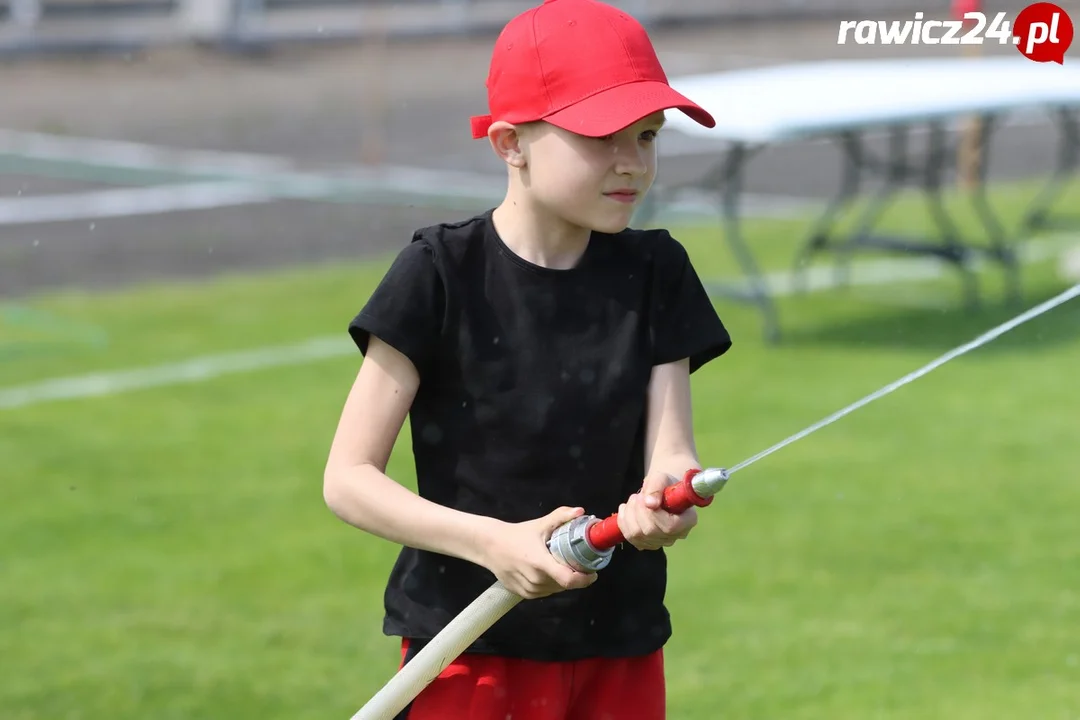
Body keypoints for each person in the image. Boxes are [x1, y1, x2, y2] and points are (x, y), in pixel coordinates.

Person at [323, 0, 732, 717]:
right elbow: (349, 479)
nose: (633, 164)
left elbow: (671, 453)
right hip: (470, 647)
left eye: (648, 136)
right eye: (604, 137)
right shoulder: (439, 272)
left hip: (620, 644)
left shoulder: (657, 270)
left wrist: (666, 504)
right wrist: (494, 544)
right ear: (511, 143)